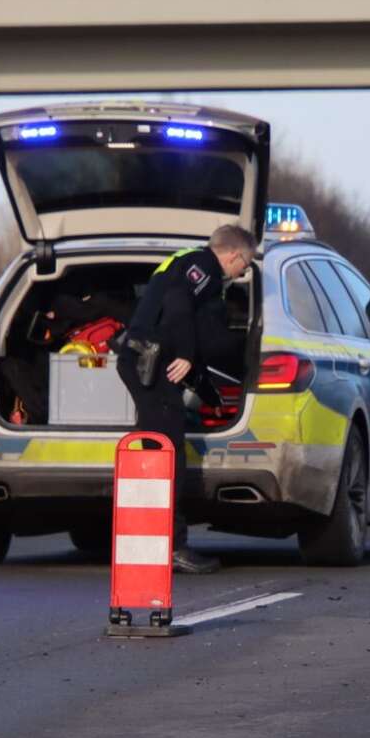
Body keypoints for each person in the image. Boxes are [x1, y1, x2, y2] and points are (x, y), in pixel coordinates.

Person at [114, 224, 257, 574]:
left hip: (144, 360)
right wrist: (189, 354)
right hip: (151, 362)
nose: (244, 272)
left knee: (156, 452)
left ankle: (148, 543)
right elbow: (178, 304)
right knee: (166, 457)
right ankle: (172, 547)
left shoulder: (185, 262)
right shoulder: (204, 267)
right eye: (246, 264)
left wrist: (203, 381)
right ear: (234, 255)